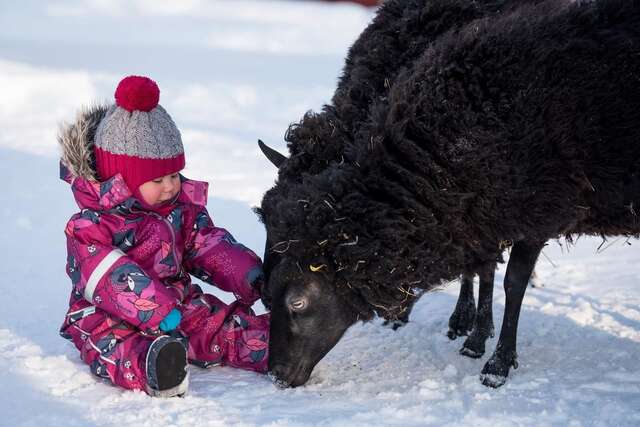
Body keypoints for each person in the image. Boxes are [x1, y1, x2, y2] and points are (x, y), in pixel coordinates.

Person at [58, 75, 269, 397]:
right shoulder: (91, 226)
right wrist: (156, 311)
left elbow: (206, 245)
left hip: (177, 303)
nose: (170, 186)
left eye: (173, 174)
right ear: (123, 178)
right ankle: (155, 366)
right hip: (106, 313)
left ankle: (274, 343)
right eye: (157, 179)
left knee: (214, 324)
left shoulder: (179, 208)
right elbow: (107, 275)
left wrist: (250, 275)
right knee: (113, 345)